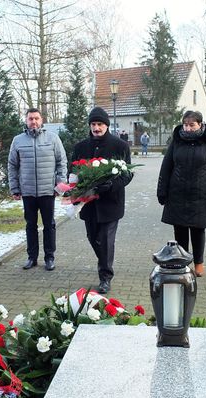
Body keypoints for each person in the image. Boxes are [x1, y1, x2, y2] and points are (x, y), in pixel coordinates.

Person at [71, 107, 133, 294]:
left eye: (99, 124)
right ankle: (104, 261)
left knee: (106, 240)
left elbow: (128, 174)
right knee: (92, 237)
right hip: (89, 203)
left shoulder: (120, 146)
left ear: (106, 125)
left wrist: (111, 185)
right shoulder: (81, 147)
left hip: (110, 203)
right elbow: (73, 173)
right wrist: (74, 193)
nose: (96, 128)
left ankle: (105, 277)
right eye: (93, 124)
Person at [156, 111, 206, 278]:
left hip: (201, 193)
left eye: (191, 125)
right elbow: (166, 167)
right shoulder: (176, 142)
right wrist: (162, 190)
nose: (187, 128)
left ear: (200, 125)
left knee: (197, 230)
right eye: (185, 125)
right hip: (177, 192)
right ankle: (182, 260)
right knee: (179, 229)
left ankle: (199, 263)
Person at [8, 108, 67, 271]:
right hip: (27, 192)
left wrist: (59, 185)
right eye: (30, 119)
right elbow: (12, 165)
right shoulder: (18, 141)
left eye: (36, 118)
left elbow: (62, 162)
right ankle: (31, 257)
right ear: (26, 121)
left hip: (48, 191)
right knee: (30, 225)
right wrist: (14, 188)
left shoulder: (53, 139)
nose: (33, 122)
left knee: (49, 225)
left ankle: (49, 257)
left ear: (42, 120)